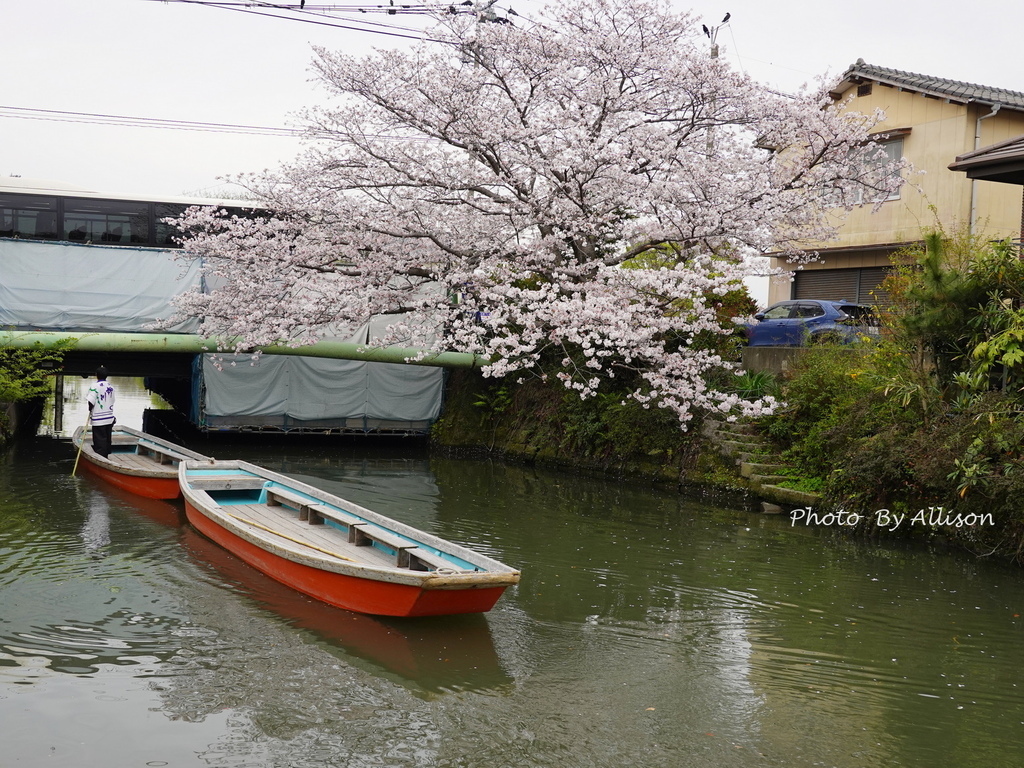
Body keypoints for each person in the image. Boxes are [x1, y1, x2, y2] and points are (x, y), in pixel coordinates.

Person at [86, 366, 116, 458]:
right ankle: (106, 455)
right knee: (107, 438)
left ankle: (100, 457)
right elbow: (113, 400)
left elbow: (91, 400)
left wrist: (90, 409)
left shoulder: (94, 386)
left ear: (96, 375)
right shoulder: (111, 386)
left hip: (99, 418)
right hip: (109, 417)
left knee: (99, 439)